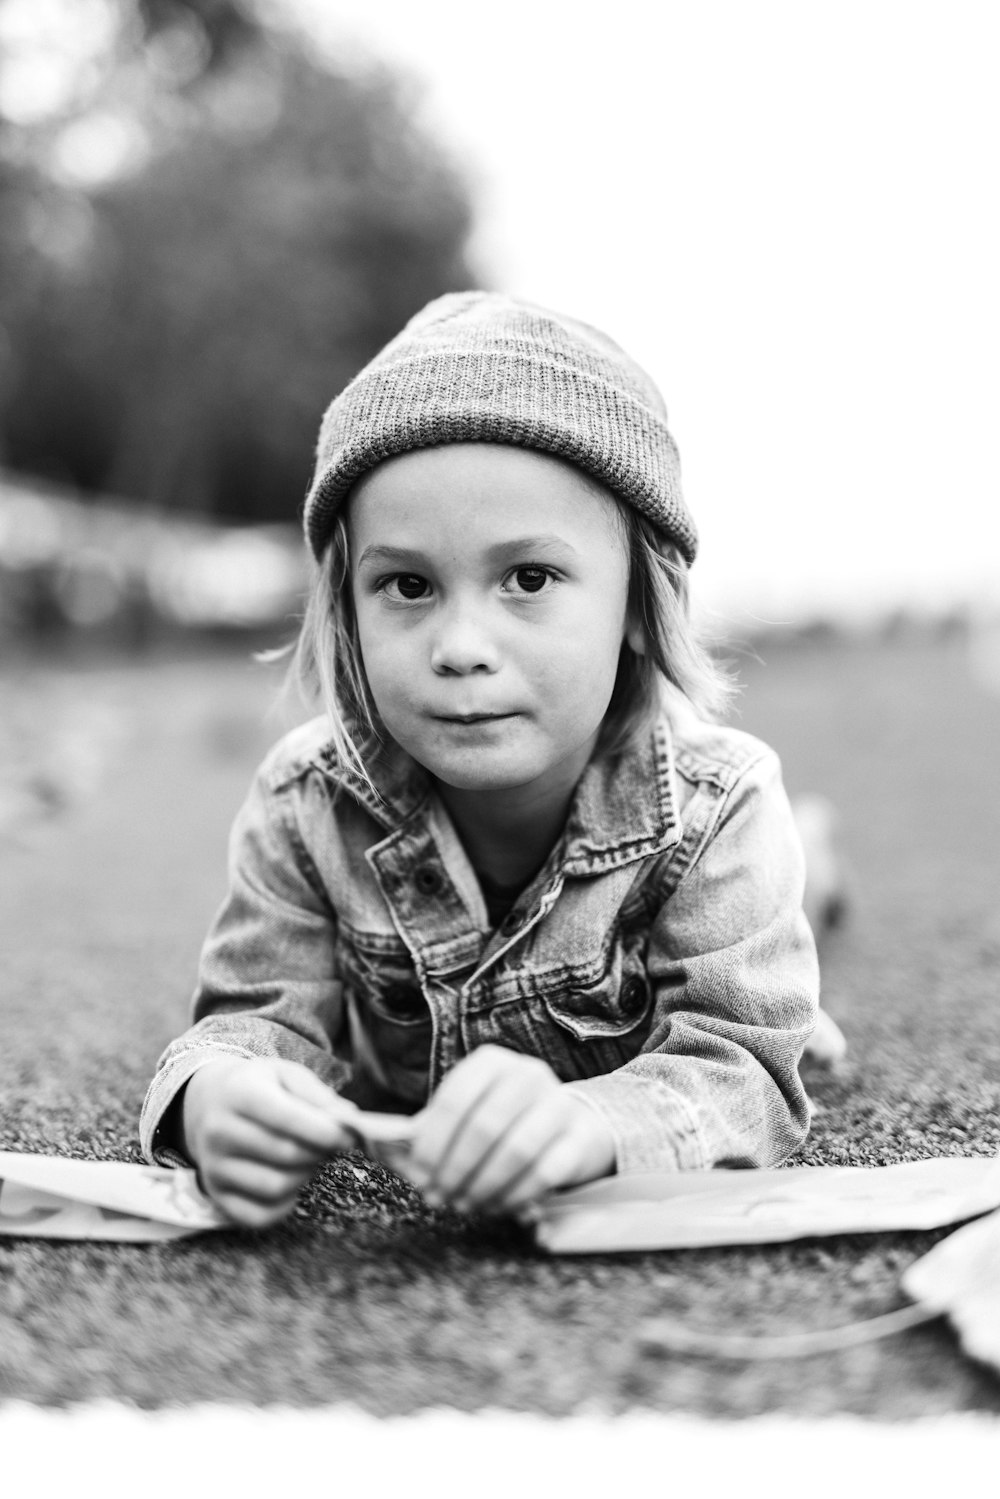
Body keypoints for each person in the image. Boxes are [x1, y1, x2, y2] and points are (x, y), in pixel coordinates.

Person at [140, 292, 826, 1228]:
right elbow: (255, 1016)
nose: (461, 644)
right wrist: (220, 1094)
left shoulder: (719, 809)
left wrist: (590, 1123)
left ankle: (815, 871)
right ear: (348, 606)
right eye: (408, 585)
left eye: (529, 578)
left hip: (733, 879)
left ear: (636, 597)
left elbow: (743, 1068)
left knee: (797, 962)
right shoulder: (308, 802)